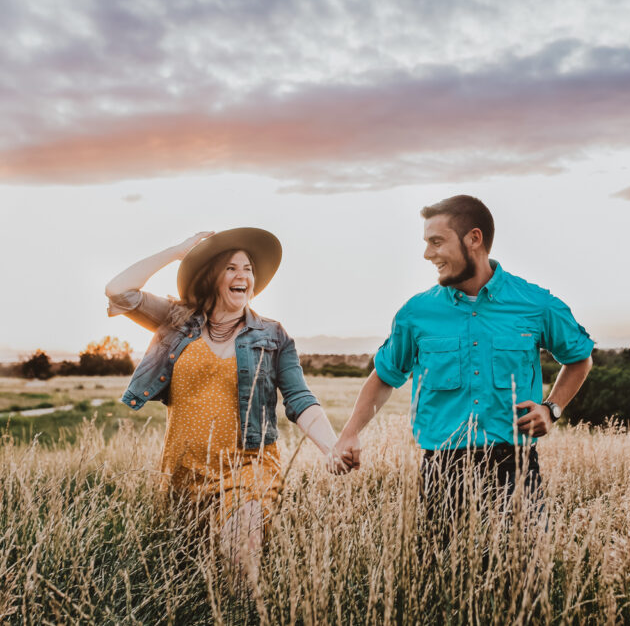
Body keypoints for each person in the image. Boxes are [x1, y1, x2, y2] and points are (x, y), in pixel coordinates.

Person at [332, 195, 594, 522]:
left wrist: (552, 408)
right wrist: (350, 433)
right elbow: (385, 376)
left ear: (474, 238)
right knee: (442, 574)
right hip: (441, 474)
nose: (428, 254)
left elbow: (579, 357)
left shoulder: (535, 303)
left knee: (520, 573)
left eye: (437, 242)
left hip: (514, 469)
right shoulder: (416, 313)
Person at [105, 228, 340, 581]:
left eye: (247, 268)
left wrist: (332, 447)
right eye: (231, 267)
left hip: (248, 468)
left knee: (240, 559)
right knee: (190, 581)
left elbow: (300, 399)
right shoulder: (177, 320)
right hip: (183, 473)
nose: (242, 275)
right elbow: (118, 291)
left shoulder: (273, 336)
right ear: (213, 276)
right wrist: (176, 251)